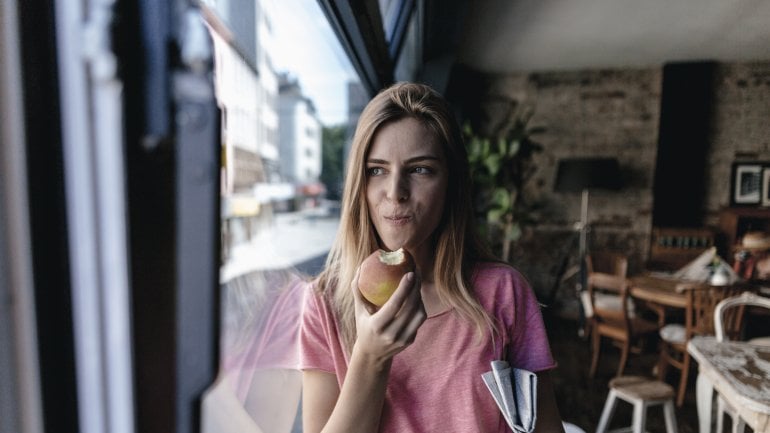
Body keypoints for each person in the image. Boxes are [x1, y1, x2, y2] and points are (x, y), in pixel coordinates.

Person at [300, 82, 564, 432]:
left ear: (451, 183)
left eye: (419, 169)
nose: (395, 193)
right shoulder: (325, 302)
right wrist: (370, 358)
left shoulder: (502, 292)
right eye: (377, 170)